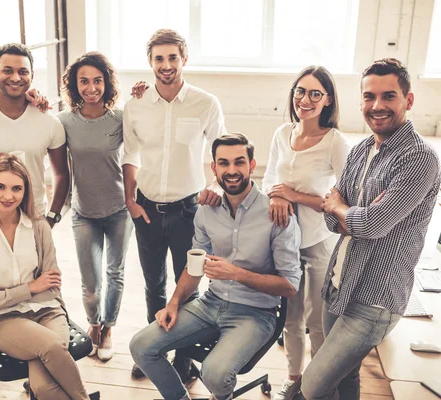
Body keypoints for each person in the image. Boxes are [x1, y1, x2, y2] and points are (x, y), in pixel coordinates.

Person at [301, 58, 441, 400]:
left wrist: (340, 205)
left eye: (388, 96)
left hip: (375, 300)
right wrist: (345, 212)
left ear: (408, 100)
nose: (377, 106)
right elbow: (333, 221)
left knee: (312, 385)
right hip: (340, 284)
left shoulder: (419, 158)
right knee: (345, 379)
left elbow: (370, 224)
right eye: (369, 97)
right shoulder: (362, 149)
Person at [129, 133, 301, 400]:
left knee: (214, 373)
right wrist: (174, 303)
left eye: (239, 162)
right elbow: (194, 267)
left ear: (252, 166)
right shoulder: (206, 210)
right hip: (210, 304)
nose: (231, 171)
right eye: (224, 163)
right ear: (214, 168)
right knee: (141, 347)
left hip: (255, 313)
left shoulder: (275, 213)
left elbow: (290, 286)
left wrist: (236, 274)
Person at [0, 43, 69, 390]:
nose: (15, 77)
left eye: (23, 71)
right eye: (8, 70)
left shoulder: (47, 120)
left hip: (33, 223)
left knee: (36, 291)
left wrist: (49, 219)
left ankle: (33, 350)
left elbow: (62, 173)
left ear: (32, 77)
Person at [123, 28, 226, 381]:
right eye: (159, 58)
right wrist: (130, 201)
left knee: (190, 284)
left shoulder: (206, 102)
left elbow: (220, 152)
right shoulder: (136, 104)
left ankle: (184, 357)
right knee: (154, 285)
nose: (166, 65)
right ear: (150, 62)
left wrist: (215, 185)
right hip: (147, 210)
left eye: (172, 57)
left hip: (189, 211)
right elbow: (130, 154)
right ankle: (155, 350)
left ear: (184, 59)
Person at [0, 153, 98, 400]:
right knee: (51, 346)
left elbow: (52, 288)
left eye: (17, 188)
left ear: (25, 191)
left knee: (44, 387)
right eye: (1, 187)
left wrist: (0, 293)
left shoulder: (39, 227)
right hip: (6, 321)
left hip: (48, 312)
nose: (8, 196)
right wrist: (31, 287)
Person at [262, 66, 350, 400]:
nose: (306, 99)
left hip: (318, 243)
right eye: (301, 91)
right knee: (290, 318)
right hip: (285, 241)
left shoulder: (335, 142)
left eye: (315, 93)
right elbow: (269, 177)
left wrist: (293, 195)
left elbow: (343, 199)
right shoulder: (282, 133)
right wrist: (276, 192)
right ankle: (294, 378)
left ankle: (317, 385)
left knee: (317, 320)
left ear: (328, 100)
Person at [57, 52, 133, 361]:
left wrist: (141, 96)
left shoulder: (121, 117)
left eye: (97, 81)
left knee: (115, 273)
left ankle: (109, 328)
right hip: (83, 212)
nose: (91, 88)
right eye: (84, 81)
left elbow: (144, 144)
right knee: (90, 283)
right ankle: (93, 324)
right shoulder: (64, 121)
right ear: (74, 86)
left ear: (107, 83)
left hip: (118, 210)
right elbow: (59, 167)